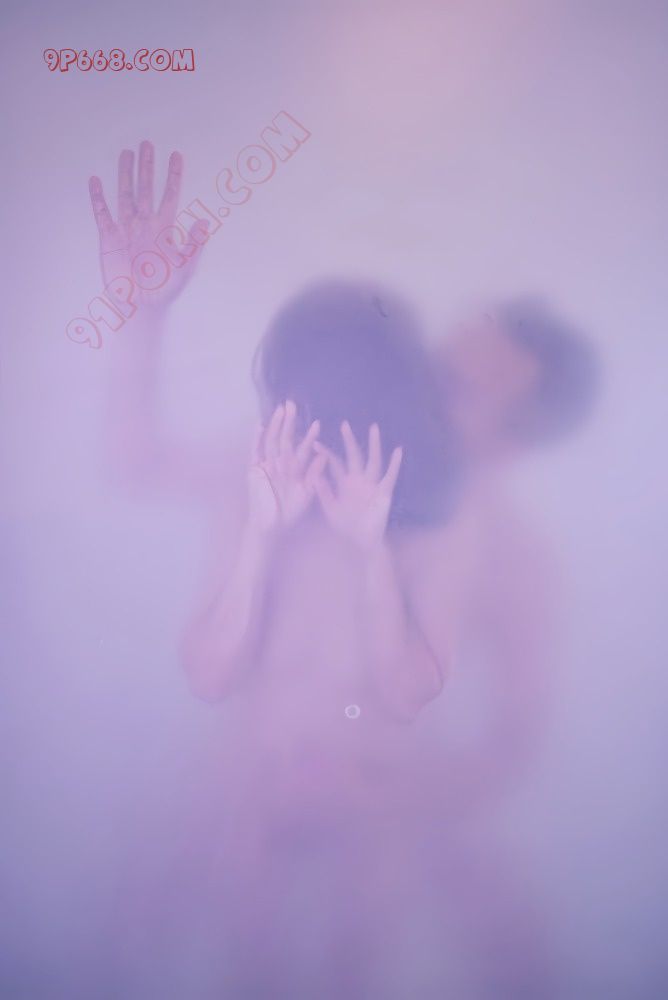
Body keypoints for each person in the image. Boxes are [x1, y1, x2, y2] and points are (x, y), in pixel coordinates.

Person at [88, 141, 469, 997]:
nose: (316, 422)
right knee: (241, 960)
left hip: (374, 806)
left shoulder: (437, 519)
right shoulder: (258, 474)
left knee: (351, 967)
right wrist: (143, 318)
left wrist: (370, 548)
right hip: (252, 789)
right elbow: (209, 673)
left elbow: (408, 694)